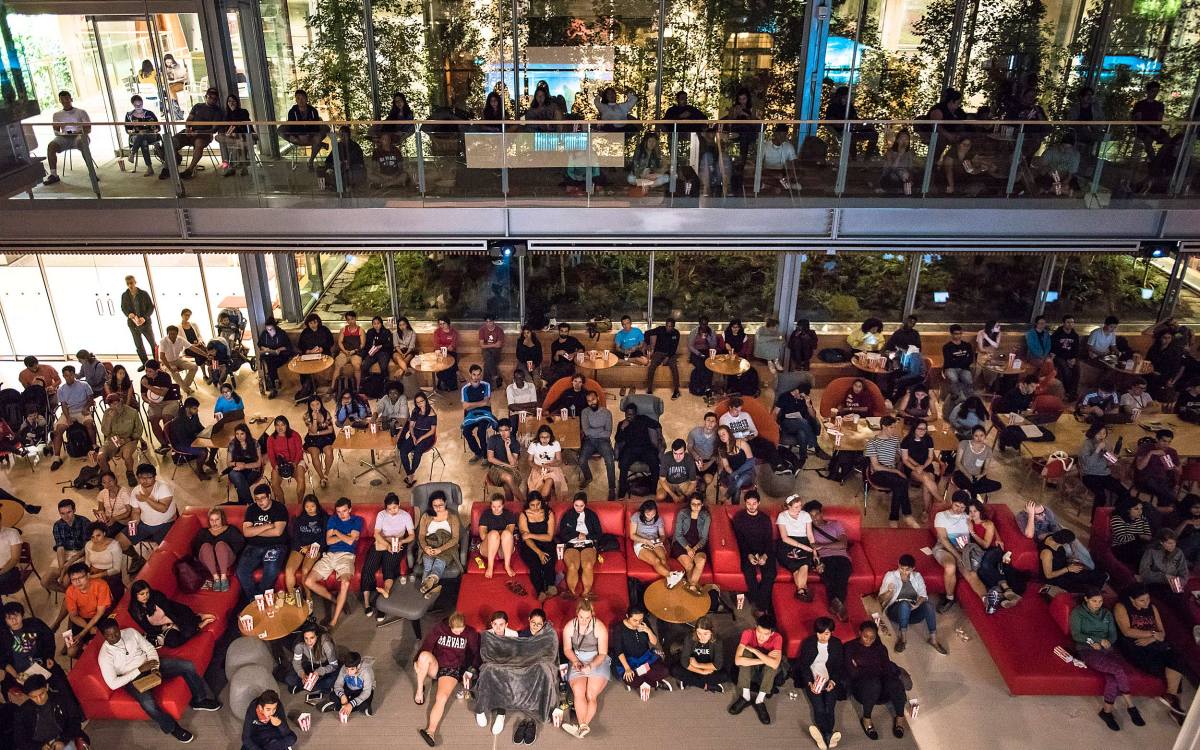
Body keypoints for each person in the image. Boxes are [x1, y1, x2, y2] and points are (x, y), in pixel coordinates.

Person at [97, 617, 219, 741]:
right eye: (110, 636)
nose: (115, 637)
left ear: (119, 628)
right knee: (148, 703)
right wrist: (139, 670)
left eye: (116, 632)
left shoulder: (130, 632)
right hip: (132, 679)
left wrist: (155, 667)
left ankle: (199, 700)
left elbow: (149, 648)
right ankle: (172, 728)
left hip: (150, 664)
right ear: (104, 636)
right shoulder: (105, 655)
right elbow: (113, 684)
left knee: (187, 666)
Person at [1070, 589, 1144, 730]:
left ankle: (1107, 712)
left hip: (1107, 649)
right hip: (1087, 649)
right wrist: (1096, 640)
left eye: (1100, 601)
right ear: (1086, 599)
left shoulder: (1107, 613)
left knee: (1112, 678)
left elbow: (1113, 634)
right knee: (1117, 670)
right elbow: (1077, 635)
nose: (1098, 604)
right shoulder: (1078, 613)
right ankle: (1131, 707)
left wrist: (1108, 641)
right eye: (1094, 601)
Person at [1114, 583, 1188, 720]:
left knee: (1178, 658)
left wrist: (1151, 638)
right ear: (1131, 599)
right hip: (1134, 646)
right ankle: (1175, 704)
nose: (1146, 603)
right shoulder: (1121, 607)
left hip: (1153, 644)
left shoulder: (1152, 607)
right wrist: (1154, 635)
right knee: (1170, 666)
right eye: (1142, 600)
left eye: (1148, 599)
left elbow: (1162, 633)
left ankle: (1171, 698)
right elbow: (1128, 631)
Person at [414, 612, 481, 746]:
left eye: (461, 629)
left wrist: (471, 670)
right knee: (423, 656)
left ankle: (430, 731)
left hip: (452, 670)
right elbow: (427, 645)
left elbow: (476, 653)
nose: (459, 632)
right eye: (456, 630)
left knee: (442, 698)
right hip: (437, 665)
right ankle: (420, 688)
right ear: (450, 626)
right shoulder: (439, 628)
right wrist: (417, 661)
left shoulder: (470, 633)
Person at [1, 602, 76, 715]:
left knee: (60, 681)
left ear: (22, 615)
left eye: (16, 615)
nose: (13, 620)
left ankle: (74, 712)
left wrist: (49, 657)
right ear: (5, 621)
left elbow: (48, 640)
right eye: (9, 618)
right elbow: (3, 660)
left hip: (41, 665)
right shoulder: (3, 636)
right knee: (9, 691)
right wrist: (15, 674)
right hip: (19, 673)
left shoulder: (35, 624)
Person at [843, 619, 909, 740]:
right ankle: (866, 718)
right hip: (862, 687)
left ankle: (900, 717)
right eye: (865, 636)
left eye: (872, 638)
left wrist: (863, 667)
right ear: (859, 633)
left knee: (894, 682)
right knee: (873, 683)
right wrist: (872, 670)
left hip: (880, 684)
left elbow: (887, 667)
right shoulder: (850, 647)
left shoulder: (880, 648)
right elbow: (852, 672)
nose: (868, 640)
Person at [305, 497, 362, 628]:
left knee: (346, 582)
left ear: (350, 510)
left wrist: (336, 532)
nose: (341, 514)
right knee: (308, 581)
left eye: (344, 511)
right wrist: (345, 536)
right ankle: (335, 600)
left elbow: (350, 542)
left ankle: (334, 621)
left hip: (346, 556)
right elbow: (328, 541)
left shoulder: (356, 520)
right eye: (338, 512)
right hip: (330, 555)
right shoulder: (333, 519)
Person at [561, 599, 611, 738]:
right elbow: (566, 649)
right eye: (581, 617)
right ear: (577, 614)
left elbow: (602, 653)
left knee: (591, 695)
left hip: (596, 660)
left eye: (587, 617)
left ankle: (582, 726)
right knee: (578, 691)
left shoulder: (599, 627)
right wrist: (576, 662)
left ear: (592, 615)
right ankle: (583, 727)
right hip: (577, 659)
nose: (584, 620)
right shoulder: (570, 626)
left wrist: (591, 666)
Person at [359, 492, 414, 619]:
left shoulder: (405, 515)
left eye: (395, 508)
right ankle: (367, 602)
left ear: (399, 504)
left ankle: (386, 593)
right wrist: (386, 544)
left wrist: (402, 541)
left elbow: (412, 535)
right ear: (385, 508)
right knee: (368, 568)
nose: (392, 511)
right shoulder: (381, 515)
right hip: (381, 542)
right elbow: (376, 534)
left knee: (388, 568)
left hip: (397, 542)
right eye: (389, 509)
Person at [879, 554, 948, 654]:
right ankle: (903, 640)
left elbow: (923, 595)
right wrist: (889, 592)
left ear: (913, 569)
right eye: (901, 568)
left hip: (912, 610)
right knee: (904, 604)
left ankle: (933, 640)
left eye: (907, 570)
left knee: (929, 605)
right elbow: (880, 599)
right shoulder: (890, 575)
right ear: (898, 565)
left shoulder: (917, 576)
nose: (904, 572)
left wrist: (917, 604)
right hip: (895, 611)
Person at [796, 617, 845, 750]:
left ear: (832, 632)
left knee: (830, 706)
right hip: (813, 679)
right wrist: (809, 682)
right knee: (819, 707)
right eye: (820, 633)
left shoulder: (836, 644)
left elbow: (839, 666)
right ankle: (828, 736)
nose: (823, 637)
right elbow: (804, 665)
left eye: (826, 633)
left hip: (829, 679)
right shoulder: (809, 643)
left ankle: (824, 736)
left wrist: (833, 682)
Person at [728, 613, 784, 725]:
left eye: (765, 634)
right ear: (756, 627)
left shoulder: (777, 638)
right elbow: (737, 661)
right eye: (759, 632)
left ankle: (760, 700)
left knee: (771, 665)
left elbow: (775, 665)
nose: (761, 636)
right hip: (751, 667)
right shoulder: (748, 633)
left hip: (764, 670)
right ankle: (745, 696)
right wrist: (765, 658)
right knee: (746, 653)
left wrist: (756, 651)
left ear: (772, 633)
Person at [236, 484, 289, 599]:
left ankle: (258, 598)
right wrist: (268, 526)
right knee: (241, 571)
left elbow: (277, 532)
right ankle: (255, 599)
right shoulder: (251, 509)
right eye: (257, 499)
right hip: (253, 546)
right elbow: (246, 533)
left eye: (263, 498)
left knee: (271, 570)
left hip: (276, 545)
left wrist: (254, 531)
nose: (260, 502)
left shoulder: (279, 508)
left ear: (269, 496)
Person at [158, 86, 223, 179]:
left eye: (215, 98)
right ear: (206, 96)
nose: (212, 99)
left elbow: (214, 129)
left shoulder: (217, 111)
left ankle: (189, 170)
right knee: (171, 141)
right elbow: (189, 120)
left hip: (204, 135)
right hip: (190, 132)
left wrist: (198, 132)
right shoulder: (197, 106)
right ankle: (167, 168)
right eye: (210, 97)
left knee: (199, 144)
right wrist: (188, 128)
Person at [864, 416, 918, 527]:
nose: (894, 430)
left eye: (895, 427)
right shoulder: (872, 443)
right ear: (884, 426)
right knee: (902, 482)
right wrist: (896, 471)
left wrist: (917, 465)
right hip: (878, 473)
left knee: (900, 484)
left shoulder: (896, 439)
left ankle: (894, 518)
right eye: (891, 427)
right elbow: (876, 466)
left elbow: (905, 456)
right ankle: (907, 516)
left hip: (891, 472)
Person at [11, 673, 88, 750]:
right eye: (33, 697)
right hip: (38, 745)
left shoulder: (61, 699)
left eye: (42, 694)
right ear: (28, 696)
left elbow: (75, 721)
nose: (39, 699)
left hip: (63, 737)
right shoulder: (22, 712)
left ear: (47, 687)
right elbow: (20, 740)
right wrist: (40, 746)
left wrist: (62, 740)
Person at [127, 580, 212, 648]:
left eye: (147, 593)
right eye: (142, 594)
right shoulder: (134, 610)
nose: (145, 596)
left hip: (176, 615)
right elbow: (147, 628)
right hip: (163, 628)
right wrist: (164, 627)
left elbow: (171, 611)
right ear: (135, 595)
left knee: (187, 630)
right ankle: (198, 626)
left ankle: (199, 618)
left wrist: (176, 624)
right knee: (173, 642)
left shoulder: (156, 596)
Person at [730, 491, 776, 613]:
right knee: (749, 573)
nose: (751, 506)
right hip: (747, 550)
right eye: (748, 503)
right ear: (745, 503)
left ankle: (759, 605)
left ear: (758, 503)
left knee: (770, 574)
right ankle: (762, 607)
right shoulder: (739, 518)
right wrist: (749, 555)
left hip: (764, 550)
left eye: (754, 503)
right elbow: (740, 540)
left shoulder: (765, 519)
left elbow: (769, 539)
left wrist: (765, 556)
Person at [807, 500, 853, 622]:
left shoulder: (835, 524)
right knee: (830, 579)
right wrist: (816, 564)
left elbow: (843, 544)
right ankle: (839, 606)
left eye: (816, 514)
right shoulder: (810, 530)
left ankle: (835, 604)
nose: (814, 518)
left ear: (822, 514)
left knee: (842, 579)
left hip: (842, 557)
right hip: (824, 559)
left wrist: (822, 546)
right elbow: (811, 550)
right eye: (811, 516)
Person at [42, 91, 98, 188]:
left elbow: (88, 128)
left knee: (82, 142)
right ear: (60, 101)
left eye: (67, 99)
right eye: (62, 100)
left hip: (79, 136)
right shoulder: (57, 115)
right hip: (64, 137)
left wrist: (80, 132)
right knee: (51, 146)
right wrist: (63, 133)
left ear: (71, 99)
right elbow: (56, 131)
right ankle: (54, 174)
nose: (65, 102)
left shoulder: (81, 112)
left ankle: (92, 172)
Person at [613, 606, 670, 698]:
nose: (638, 623)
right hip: (629, 661)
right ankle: (654, 683)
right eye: (634, 620)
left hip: (646, 658)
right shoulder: (619, 628)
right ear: (627, 616)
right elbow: (619, 651)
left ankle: (644, 683)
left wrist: (648, 631)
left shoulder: (644, 623)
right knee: (629, 677)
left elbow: (654, 642)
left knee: (665, 671)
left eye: (640, 619)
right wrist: (627, 668)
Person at [47, 365, 94, 470]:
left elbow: (91, 399)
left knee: (89, 424)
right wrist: (68, 418)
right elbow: (63, 406)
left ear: (73, 374)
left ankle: (95, 447)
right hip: (68, 412)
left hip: (82, 410)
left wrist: (86, 408)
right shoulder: (61, 389)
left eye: (68, 376)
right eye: (64, 376)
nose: (66, 378)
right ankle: (56, 457)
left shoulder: (84, 385)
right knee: (58, 430)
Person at [416, 491, 461, 598]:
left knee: (439, 563)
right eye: (434, 506)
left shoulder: (453, 517)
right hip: (430, 543)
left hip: (446, 545)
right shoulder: (426, 516)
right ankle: (432, 585)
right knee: (427, 566)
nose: (437, 508)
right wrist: (425, 547)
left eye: (440, 505)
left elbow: (455, 539)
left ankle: (428, 587)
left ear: (445, 503)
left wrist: (440, 549)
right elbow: (421, 535)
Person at [931, 491, 970, 614]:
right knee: (950, 566)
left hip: (964, 549)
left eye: (962, 507)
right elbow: (943, 539)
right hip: (944, 547)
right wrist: (958, 556)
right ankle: (949, 598)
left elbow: (987, 523)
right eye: (957, 506)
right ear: (952, 503)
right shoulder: (941, 516)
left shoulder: (968, 516)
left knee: (972, 571)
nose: (959, 510)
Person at [558, 493, 601, 600]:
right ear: (573, 504)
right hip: (572, 544)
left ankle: (586, 592)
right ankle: (571, 592)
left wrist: (586, 536)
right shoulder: (567, 515)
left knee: (588, 565)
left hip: (587, 543)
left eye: (581, 506)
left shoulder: (592, 515)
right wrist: (577, 534)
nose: (578, 508)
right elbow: (562, 534)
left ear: (585, 505)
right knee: (572, 566)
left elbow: (599, 533)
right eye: (576, 505)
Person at [284, 494, 327, 602]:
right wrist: (301, 547)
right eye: (307, 506)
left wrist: (309, 547)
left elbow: (324, 538)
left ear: (317, 505)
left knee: (305, 570)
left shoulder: (324, 518)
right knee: (289, 570)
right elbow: (295, 537)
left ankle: (308, 597)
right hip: (300, 547)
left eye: (312, 506)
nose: (310, 509)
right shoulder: (300, 519)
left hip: (315, 547)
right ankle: (293, 598)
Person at [574, 390, 616, 499]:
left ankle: (612, 488)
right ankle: (588, 477)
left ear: (597, 398)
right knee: (581, 460)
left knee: (610, 461)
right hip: (589, 440)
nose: (591, 402)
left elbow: (608, 433)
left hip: (603, 441)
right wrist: (600, 429)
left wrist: (594, 430)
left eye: (593, 399)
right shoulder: (585, 412)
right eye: (588, 401)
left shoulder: (607, 413)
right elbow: (586, 431)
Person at [1079, 422, 1129, 511]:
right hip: (1089, 475)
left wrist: (1113, 458)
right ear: (1093, 433)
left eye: (1104, 433)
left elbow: (1110, 463)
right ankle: (1095, 521)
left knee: (1125, 492)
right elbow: (1087, 464)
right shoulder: (1087, 444)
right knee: (1101, 495)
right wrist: (1097, 449)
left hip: (1104, 474)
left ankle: (1115, 513)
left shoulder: (1106, 444)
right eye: (1099, 433)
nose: (1102, 436)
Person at [517, 492, 558, 600]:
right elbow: (526, 539)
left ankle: (550, 585)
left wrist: (531, 534)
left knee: (548, 561)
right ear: (528, 504)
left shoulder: (548, 513)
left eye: (538, 504)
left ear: (542, 502)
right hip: (530, 545)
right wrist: (539, 552)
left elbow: (549, 537)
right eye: (532, 505)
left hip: (547, 543)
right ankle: (540, 591)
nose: (535, 508)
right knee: (535, 566)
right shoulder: (524, 515)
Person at [774, 381, 829, 463]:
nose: (801, 399)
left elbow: (813, 416)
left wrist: (808, 405)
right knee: (802, 422)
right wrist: (774, 424)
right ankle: (817, 448)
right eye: (801, 396)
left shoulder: (805, 399)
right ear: (796, 391)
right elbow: (775, 412)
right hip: (787, 423)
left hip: (802, 425)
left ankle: (802, 458)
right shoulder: (784, 397)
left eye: (803, 397)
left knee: (802, 433)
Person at [1040, 528, 1108, 593]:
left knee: (1098, 575)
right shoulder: (1047, 553)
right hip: (1057, 578)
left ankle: (1097, 591)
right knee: (1087, 586)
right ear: (1064, 542)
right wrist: (1068, 569)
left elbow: (1059, 559)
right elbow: (1048, 575)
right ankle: (1093, 596)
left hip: (1066, 569)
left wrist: (1071, 560)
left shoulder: (1052, 537)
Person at [775, 494, 815, 601]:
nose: (799, 509)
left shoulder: (805, 515)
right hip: (788, 543)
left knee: (804, 565)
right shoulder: (782, 516)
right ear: (789, 506)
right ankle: (803, 588)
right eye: (796, 507)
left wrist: (814, 550)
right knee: (799, 564)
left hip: (804, 541)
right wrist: (803, 547)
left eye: (800, 506)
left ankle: (800, 590)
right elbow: (784, 538)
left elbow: (810, 535)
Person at [166, 396, 217, 479]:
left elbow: (199, 427)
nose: (197, 410)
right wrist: (199, 440)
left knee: (214, 442)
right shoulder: (178, 421)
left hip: (192, 438)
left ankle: (210, 461)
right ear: (187, 408)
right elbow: (183, 440)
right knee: (203, 452)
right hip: (181, 444)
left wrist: (207, 433)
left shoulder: (194, 415)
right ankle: (199, 472)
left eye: (197, 408)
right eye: (194, 408)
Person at [128, 462, 178, 546]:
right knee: (121, 540)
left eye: (149, 477)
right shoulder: (135, 490)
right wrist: (134, 522)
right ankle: (135, 557)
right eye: (141, 477)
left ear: (154, 477)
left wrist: (146, 499)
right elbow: (135, 511)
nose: (145, 480)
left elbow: (163, 509)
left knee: (165, 550)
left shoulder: (163, 487)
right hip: (144, 524)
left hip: (165, 523)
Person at [193, 507, 242, 592]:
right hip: (209, 562)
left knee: (220, 545)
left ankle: (223, 578)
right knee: (205, 546)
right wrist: (210, 552)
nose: (214, 522)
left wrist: (221, 550)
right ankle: (216, 578)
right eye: (211, 520)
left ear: (222, 519)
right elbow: (196, 548)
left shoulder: (231, 529)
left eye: (217, 519)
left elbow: (239, 544)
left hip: (226, 559)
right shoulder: (203, 532)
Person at [280, 89, 329, 171]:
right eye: (298, 98)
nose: (300, 101)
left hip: (311, 136)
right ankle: (320, 144)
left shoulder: (313, 111)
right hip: (298, 138)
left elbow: (315, 126)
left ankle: (311, 161)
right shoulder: (292, 112)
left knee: (319, 137)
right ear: (296, 100)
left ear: (306, 99)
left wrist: (309, 135)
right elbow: (291, 127)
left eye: (302, 98)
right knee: (280, 130)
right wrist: (292, 136)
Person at [398, 391, 437, 488]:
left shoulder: (432, 413)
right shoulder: (415, 411)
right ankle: (409, 474)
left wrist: (420, 439)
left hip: (427, 436)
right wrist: (413, 435)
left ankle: (411, 474)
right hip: (415, 433)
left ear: (426, 400)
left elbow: (432, 431)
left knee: (417, 451)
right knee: (403, 451)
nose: (420, 404)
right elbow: (411, 425)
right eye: (417, 402)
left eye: (421, 401)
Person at [460, 365, 498, 464]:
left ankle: (486, 455)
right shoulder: (465, 389)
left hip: (485, 414)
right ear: (470, 374)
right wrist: (480, 403)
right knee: (466, 431)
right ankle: (478, 452)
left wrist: (471, 405)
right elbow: (465, 407)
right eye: (474, 374)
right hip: (471, 415)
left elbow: (486, 403)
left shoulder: (486, 385)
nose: (476, 377)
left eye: (478, 374)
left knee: (481, 432)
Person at [321, 651, 375, 718]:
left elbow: (367, 692)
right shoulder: (344, 668)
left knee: (366, 701)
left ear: (358, 666)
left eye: (352, 669)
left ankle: (337, 707)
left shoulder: (366, 672)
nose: (349, 672)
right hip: (349, 687)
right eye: (347, 669)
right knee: (333, 695)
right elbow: (338, 684)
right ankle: (358, 708)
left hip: (362, 690)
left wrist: (351, 704)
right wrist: (342, 696)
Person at [1135, 428, 1180, 509]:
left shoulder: (1172, 452)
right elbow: (1140, 467)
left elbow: (1178, 471)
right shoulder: (1145, 448)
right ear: (1157, 439)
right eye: (1164, 441)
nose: (1166, 444)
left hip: (1163, 480)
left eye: (1169, 442)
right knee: (1162, 489)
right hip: (1146, 479)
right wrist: (1151, 453)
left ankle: (1162, 512)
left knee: (1164, 490)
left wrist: (1170, 463)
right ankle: (1177, 504)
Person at [953, 425, 1002, 500]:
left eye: (981, 435)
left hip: (976, 477)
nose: (979, 438)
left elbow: (985, 468)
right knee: (968, 483)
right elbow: (958, 463)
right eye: (976, 436)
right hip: (962, 474)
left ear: (985, 435)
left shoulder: (988, 450)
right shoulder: (964, 444)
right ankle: (973, 495)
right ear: (972, 436)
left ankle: (970, 491)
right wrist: (968, 475)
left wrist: (981, 475)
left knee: (998, 485)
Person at [82, 521, 126, 603]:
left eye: (98, 535)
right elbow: (87, 563)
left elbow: (116, 569)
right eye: (92, 537)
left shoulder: (114, 546)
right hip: (93, 572)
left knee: (108, 597)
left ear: (104, 533)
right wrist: (87, 573)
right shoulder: (88, 545)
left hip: (110, 574)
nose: (95, 539)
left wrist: (96, 576)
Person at [477, 494, 517, 579]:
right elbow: (483, 536)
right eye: (493, 506)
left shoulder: (509, 514)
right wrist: (495, 535)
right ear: (491, 505)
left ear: (503, 505)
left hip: (504, 549)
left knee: (506, 534)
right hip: (488, 548)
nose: (496, 509)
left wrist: (499, 536)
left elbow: (509, 533)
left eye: (499, 506)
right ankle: (490, 567)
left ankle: (507, 565)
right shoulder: (486, 514)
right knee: (494, 534)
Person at [214, 93, 253, 177]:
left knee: (238, 143)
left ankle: (238, 167)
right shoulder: (226, 114)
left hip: (244, 134)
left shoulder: (243, 111)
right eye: (229, 101)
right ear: (227, 103)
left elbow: (242, 124)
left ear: (237, 102)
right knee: (218, 137)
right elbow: (225, 127)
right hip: (232, 137)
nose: (231, 103)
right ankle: (235, 165)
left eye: (233, 101)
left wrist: (234, 111)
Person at [296, 313, 334, 398]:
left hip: (323, 354)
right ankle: (307, 388)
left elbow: (331, 342)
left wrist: (322, 348)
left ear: (318, 322)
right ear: (308, 324)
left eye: (315, 322)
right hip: (309, 354)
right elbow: (300, 345)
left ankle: (309, 388)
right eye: (311, 323)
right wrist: (308, 351)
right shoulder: (305, 332)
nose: (313, 325)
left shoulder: (324, 330)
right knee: (303, 368)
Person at [302, 396, 337, 490]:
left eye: (317, 404)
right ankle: (321, 477)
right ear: (309, 406)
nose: (315, 407)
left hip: (327, 437)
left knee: (329, 452)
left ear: (321, 404)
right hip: (312, 440)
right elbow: (312, 430)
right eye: (312, 405)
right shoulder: (306, 416)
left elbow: (330, 430)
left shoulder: (327, 413)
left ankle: (326, 474)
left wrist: (317, 433)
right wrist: (314, 419)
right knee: (314, 455)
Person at [225, 422, 264, 505]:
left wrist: (244, 466)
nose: (239, 437)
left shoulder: (255, 443)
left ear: (247, 433)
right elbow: (228, 463)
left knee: (240, 485)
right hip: (237, 468)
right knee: (235, 476)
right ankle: (251, 504)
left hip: (252, 469)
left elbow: (258, 463)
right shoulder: (232, 444)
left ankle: (243, 504)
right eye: (237, 434)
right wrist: (236, 463)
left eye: (242, 434)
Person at [716, 424, 755, 504]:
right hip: (731, 472)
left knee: (740, 479)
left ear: (729, 433)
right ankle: (735, 506)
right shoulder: (721, 448)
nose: (722, 437)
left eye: (724, 434)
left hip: (747, 472)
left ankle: (725, 497)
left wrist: (737, 473)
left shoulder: (741, 443)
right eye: (720, 435)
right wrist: (733, 473)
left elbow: (751, 462)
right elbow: (726, 466)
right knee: (736, 484)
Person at [527, 424, 568, 499]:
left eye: (547, 437)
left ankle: (542, 500)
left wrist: (549, 465)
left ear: (550, 436)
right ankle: (543, 499)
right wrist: (538, 468)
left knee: (550, 480)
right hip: (538, 467)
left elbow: (559, 461)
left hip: (552, 467)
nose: (545, 440)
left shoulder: (555, 444)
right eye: (542, 437)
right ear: (539, 437)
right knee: (535, 489)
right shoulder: (533, 444)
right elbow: (529, 461)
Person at [123, 94, 160, 177]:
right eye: (136, 105)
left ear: (143, 103)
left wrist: (153, 130)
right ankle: (149, 168)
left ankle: (132, 153)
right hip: (136, 137)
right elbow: (127, 130)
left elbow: (158, 128)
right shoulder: (129, 115)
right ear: (133, 105)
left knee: (143, 135)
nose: (139, 106)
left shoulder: (149, 113)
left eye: (140, 104)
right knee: (143, 141)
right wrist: (135, 132)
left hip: (151, 136)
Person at [1132, 80, 1169, 161]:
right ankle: (1154, 162)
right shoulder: (1140, 104)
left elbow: (1159, 119)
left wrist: (1157, 129)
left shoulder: (1159, 105)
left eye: (1156, 91)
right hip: (1143, 129)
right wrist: (1151, 129)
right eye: (1153, 91)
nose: (1155, 94)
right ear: (1148, 91)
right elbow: (1139, 121)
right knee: (1148, 140)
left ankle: (1160, 160)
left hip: (1155, 129)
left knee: (1168, 141)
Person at [644, 318, 682, 398]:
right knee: (651, 367)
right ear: (665, 325)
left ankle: (676, 391)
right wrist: (647, 344)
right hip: (658, 353)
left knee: (674, 367)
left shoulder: (676, 333)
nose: (668, 328)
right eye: (667, 326)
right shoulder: (660, 329)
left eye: (670, 326)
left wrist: (667, 357)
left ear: (673, 326)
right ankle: (649, 389)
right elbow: (647, 333)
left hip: (670, 354)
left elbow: (674, 348)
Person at [688, 411, 721, 495]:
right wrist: (695, 456)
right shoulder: (694, 432)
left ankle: (703, 490)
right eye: (708, 420)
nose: (710, 423)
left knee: (708, 479)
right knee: (695, 479)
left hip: (710, 460)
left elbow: (718, 453)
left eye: (713, 421)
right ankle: (698, 490)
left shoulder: (718, 436)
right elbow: (689, 446)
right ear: (704, 421)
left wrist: (708, 464)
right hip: (696, 459)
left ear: (716, 423)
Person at [158, 326, 198, 395]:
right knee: (175, 373)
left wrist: (205, 354)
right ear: (167, 334)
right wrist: (170, 368)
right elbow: (162, 357)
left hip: (178, 359)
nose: (172, 336)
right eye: (170, 334)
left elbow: (193, 348)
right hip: (166, 362)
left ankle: (184, 386)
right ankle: (187, 390)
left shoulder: (180, 339)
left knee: (194, 366)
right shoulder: (163, 341)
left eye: (174, 334)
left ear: (177, 333)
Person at [657, 438, 698, 503]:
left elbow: (693, 482)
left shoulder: (689, 459)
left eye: (681, 453)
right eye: (675, 453)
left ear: (685, 451)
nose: (678, 456)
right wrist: (673, 495)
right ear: (672, 451)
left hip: (683, 482)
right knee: (660, 496)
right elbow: (662, 480)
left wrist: (684, 496)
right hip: (668, 482)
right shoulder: (666, 457)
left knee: (694, 498)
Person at [941, 325, 975, 399]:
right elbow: (949, 361)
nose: (958, 336)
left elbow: (971, 359)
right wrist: (963, 361)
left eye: (960, 333)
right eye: (956, 334)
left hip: (964, 368)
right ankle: (956, 398)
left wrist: (958, 361)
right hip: (950, 368)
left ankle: (969, 398)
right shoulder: (947, 347)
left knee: (968, 380)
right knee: (954, 379)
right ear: (952, 334)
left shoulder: (967, 345)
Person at [880, 129, 915, 194]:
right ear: (897, 140)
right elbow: (891, 168)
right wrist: (899, 155)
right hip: (890, 177)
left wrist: (910, 177)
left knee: (908, 177)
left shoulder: (909, 153)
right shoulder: (890, 152)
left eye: (906, 139)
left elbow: (911, 168)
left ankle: (907, 194)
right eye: (902, 139)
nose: (904, 141)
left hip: (905, 178)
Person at [432, 317, 460, 392]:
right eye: (440, 324)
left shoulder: (454, 332)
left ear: (448, 323)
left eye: (444, 323)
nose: (442, 325)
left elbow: (453, 345)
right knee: (442, 363)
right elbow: (436, 345)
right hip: (439, 352)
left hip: (451, 352)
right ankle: (447, 383)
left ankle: (444, 382)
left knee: (451, 364)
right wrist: (446, 347)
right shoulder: (437, 332)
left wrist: (445, 347)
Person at [478, 316, 505, 388]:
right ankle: (496, 376)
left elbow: (499, 345)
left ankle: (486, 386)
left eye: (490, 321)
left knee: (487, 362)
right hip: (486, 351)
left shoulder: (499, 330)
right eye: (487, 322)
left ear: (493, 321)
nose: (488, 323)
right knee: (488, 356)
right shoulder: (482, 330)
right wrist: (494, 345)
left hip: (496, 352)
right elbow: (481, 345)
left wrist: (487, 345)